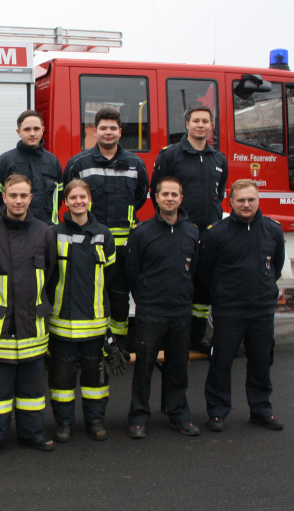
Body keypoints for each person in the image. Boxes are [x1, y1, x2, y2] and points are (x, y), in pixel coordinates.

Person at [0, 174, 56, 457]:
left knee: (33, 390)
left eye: (23, 196)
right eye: (13, 195)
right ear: (4, 198)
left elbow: (51, 276)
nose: (18, 200)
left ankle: (32, 433)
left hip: (32, 327)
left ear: (30, 198)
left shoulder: (45, 232)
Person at [196, 179, 285, 432]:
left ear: (258, 200)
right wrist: (222, 295)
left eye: (251, 199)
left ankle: (261, 410)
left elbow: (275, 267)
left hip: (262, 311)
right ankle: (217, 413)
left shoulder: (273, 230)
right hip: (229, 311)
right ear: (231, 202)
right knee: (221, 364)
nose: (246, 204)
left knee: (261, 363)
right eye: (241, 200)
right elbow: (205, 273)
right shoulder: (216, 233)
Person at [63, 108, 149, 350]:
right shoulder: (79, 163)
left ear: (120, 132)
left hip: (124, 248)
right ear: (94, 131)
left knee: (120, 296)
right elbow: (69, 196)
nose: (108, 132)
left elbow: (140, 197)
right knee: (89, 293)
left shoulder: (135, 164)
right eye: (103, 128)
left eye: (113, 128)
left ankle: (118, 342)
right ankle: (91, 341)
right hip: (88, 246)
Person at [125, 177, 201, 439]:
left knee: (179, 366)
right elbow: (132, 272)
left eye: (174, 194)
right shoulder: (141, 233)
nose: (169, 198)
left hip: (181, 312)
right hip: (151, 311)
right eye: (164, 194)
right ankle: (138, 416)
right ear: (155, 198)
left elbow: (193, 271)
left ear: (181, 198)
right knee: (144, 366)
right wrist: (146, 298)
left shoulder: (192, 232)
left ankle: (179, 413)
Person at [149, 105, 228, 354]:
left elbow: (220, 193)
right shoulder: (170, 155)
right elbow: (156, 192)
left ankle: (197, 336)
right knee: (177, 282)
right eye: (196, 120)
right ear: (187, 124)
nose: (201, 125)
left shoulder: (219, 159)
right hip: (179, 232)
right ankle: (170, 337)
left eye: (205, 121)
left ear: (211, 126)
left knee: (204, 285)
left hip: (210, 234)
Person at [48, 179, 117, 443]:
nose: (78, 201)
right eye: (73, 197)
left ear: (90, 200)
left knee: (95, 378)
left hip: (94, 322)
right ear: (65, 202)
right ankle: (64, 423)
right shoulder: (53, 233)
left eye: (82, 197)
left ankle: (95, 421)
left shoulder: (104, 234)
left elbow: (108, 275)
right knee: (61, 378)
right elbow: (49, 275)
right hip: (62, 322)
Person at [0, 110, 63, 225]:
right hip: (12, 232)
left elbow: (58, 199)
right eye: (27, 129)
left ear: (43, 130)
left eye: (36, 129)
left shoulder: (53, 162)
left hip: (47, 231)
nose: (32, 133)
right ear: (18, 132)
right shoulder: (4, 162)